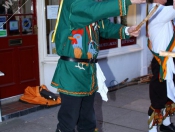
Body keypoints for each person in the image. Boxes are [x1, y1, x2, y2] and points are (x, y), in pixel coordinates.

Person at [51, 0, 145, 132]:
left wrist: (126, 30)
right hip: (71, 73)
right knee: (68, 122)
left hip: (89, 72)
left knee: (88, 121)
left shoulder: (90, 5)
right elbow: (93, 11)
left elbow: (104, 27)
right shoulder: (74, 3)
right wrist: (128, 1)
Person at [147, 0, 175, 132]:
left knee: (168, 95)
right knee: (158, 97)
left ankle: (166, 123)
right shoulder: (157, 10)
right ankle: (152, 129)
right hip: (161, 62)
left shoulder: (161, 10)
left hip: (169, 60)